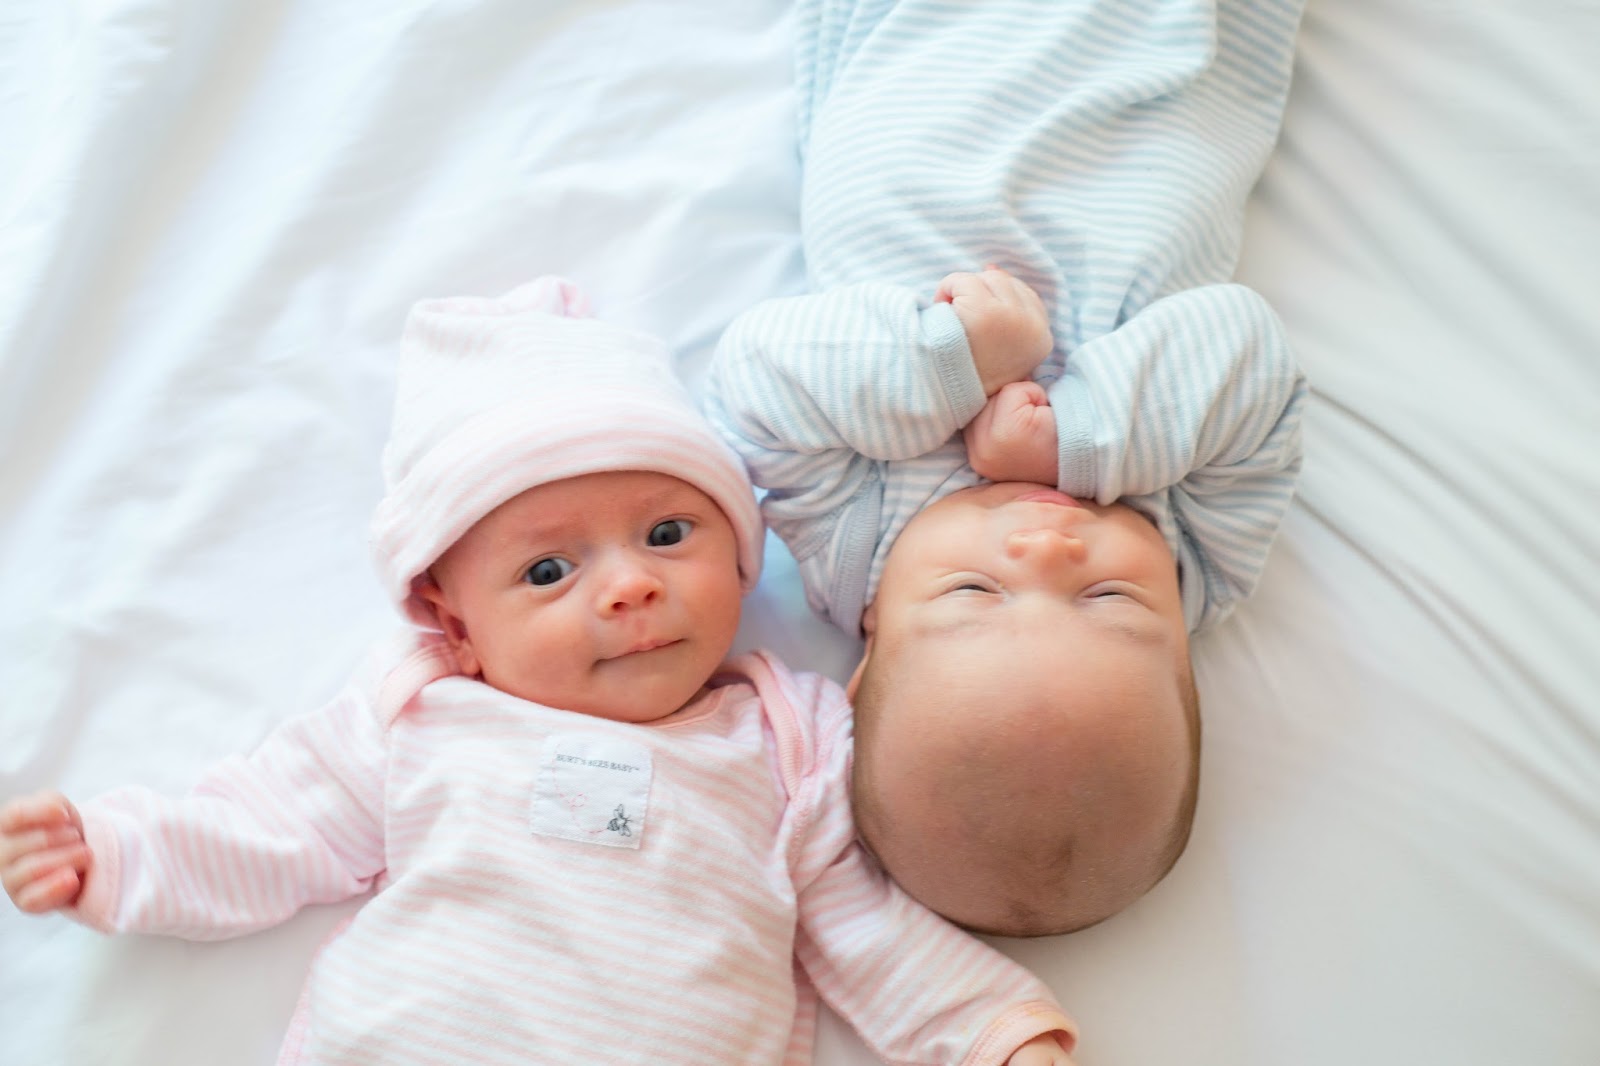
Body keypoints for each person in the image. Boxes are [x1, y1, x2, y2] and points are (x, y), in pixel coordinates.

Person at [0, 278, 1076, 1066]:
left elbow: (861, 923)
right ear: (453, 620)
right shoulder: (425, 711)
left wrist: (992, 1030)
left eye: (667, 533)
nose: (630, 587)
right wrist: (119, 853)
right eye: (550, 569)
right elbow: (271, 828)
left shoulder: (782, 738)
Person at [707, 0, 1309, 937]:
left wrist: (953, 362)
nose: (1046, 546)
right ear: (1187, 671)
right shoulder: (1199, 556)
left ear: (870, 659)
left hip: (918, 59)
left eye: (976, 590)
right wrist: (1080, 436)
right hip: (1142, 91)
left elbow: (757, 379)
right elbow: (1249, 353)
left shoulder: (854, 550)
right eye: (1108, 598)